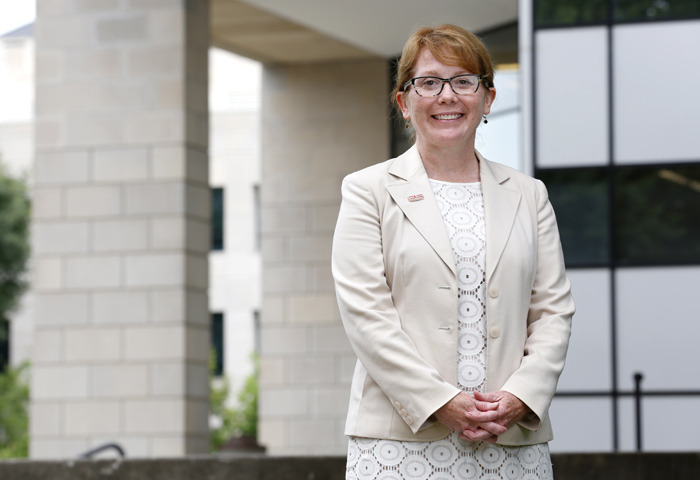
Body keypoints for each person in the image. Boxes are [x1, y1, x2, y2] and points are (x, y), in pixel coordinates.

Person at [331, 24, 575, 480]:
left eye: (464, 81)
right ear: (404, 102)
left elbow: (553, 311)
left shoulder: (530, 194)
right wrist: (440, 402)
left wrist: (522, 395)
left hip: (511, 440)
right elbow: (366, 314)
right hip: (399, 444)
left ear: (488, 99)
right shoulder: (368, 190)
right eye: (429, 82)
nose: (447, 96)